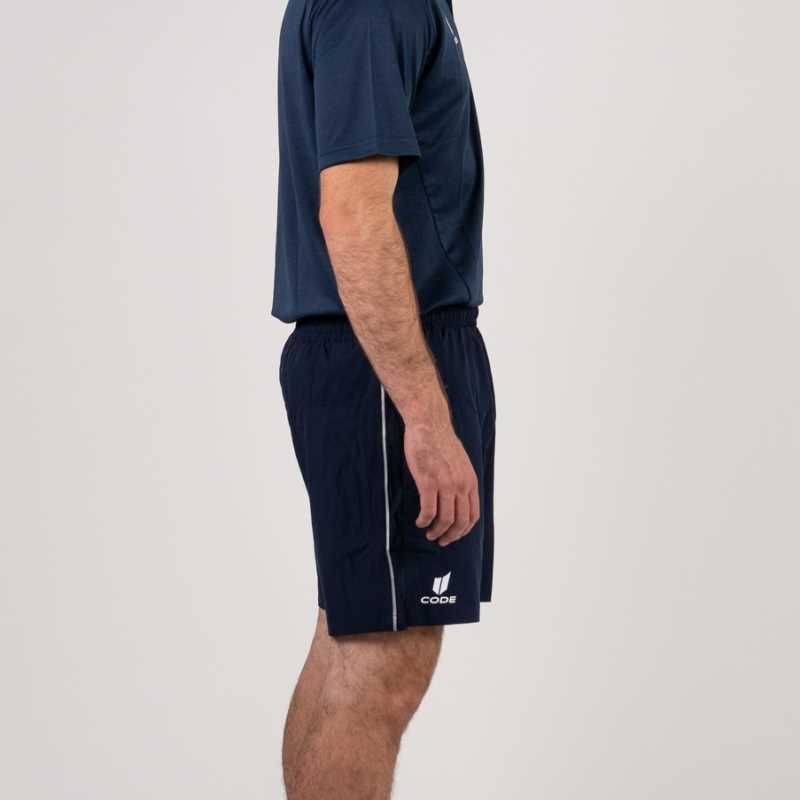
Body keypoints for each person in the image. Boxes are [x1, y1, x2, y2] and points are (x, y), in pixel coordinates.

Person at [272, 0, 495, 796]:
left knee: (358, 644)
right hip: (388, 363)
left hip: (391, 356)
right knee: (380, 663)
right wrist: (425, 418)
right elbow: (353, 209)